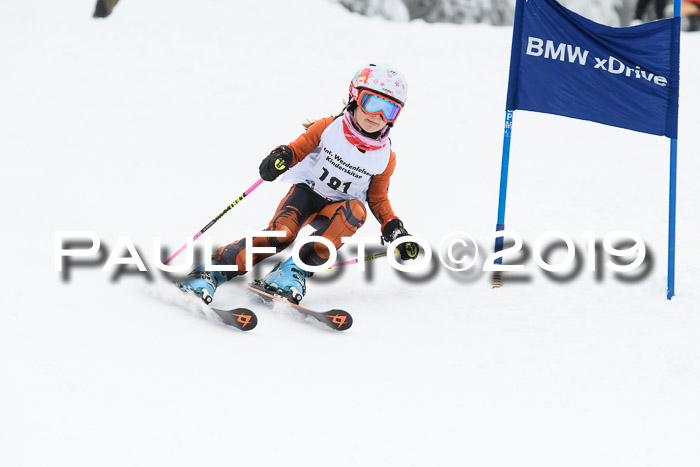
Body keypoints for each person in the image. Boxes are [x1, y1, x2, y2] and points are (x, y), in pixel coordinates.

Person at [178, 63, 420, 304]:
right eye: (372, 103)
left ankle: (291, 272)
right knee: (282, 234)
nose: (378, 116)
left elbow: (377, 198)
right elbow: (296, 150)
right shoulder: (328, 128)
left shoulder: (385, 157)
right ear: (354, 97)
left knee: (357, 211)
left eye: (389, 110)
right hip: (307, 194)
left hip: (336, 211)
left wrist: (394, 228)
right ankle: (211, 271)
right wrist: (280, 158)